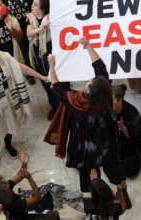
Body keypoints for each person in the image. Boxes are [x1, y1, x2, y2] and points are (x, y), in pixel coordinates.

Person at [46, 37, 131, 209]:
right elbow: (100, 68)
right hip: (107, 144)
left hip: (84, 149)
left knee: (87, 177)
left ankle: (91, 202)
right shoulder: (106, 95)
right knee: (115, 171)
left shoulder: (75, 102)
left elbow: (56, 87)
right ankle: (123, 196)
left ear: (87, 91)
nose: (89, 80)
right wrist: (89, 47)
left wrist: (52, 66)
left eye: (89, 83)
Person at [0, 38, 48, 169]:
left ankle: (8, 145)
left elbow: (23, 68)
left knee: (9, 124)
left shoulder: (5, 57)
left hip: (8, 97)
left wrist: (42, 77)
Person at [0, 151, 43, 220]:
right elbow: (37, 198)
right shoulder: (16, 205)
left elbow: (19, 175)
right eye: (6, 183)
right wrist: (30, 178)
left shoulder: (2, 197)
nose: (7, 181)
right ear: (6, 192)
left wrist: (24, 164)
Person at [26, 0, 57, 119]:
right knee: (44, 81)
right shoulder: (32, 18)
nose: (32, 6)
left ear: (42, 9)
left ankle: (61, 106)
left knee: (54, 81)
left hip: (49, 52)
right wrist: (40, 28)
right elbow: (29, 33)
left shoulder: (49, 18)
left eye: (35, 5)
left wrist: (43, 27)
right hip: (37, 54)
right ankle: (54, 105)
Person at [112, 84, 141, 178]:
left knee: (130, 171)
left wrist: (124, 130)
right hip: (115, 142)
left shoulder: (133, 115)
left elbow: (135, 141)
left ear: (119, 100)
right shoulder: (108, 109)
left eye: (111, 100)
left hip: (130, 146)